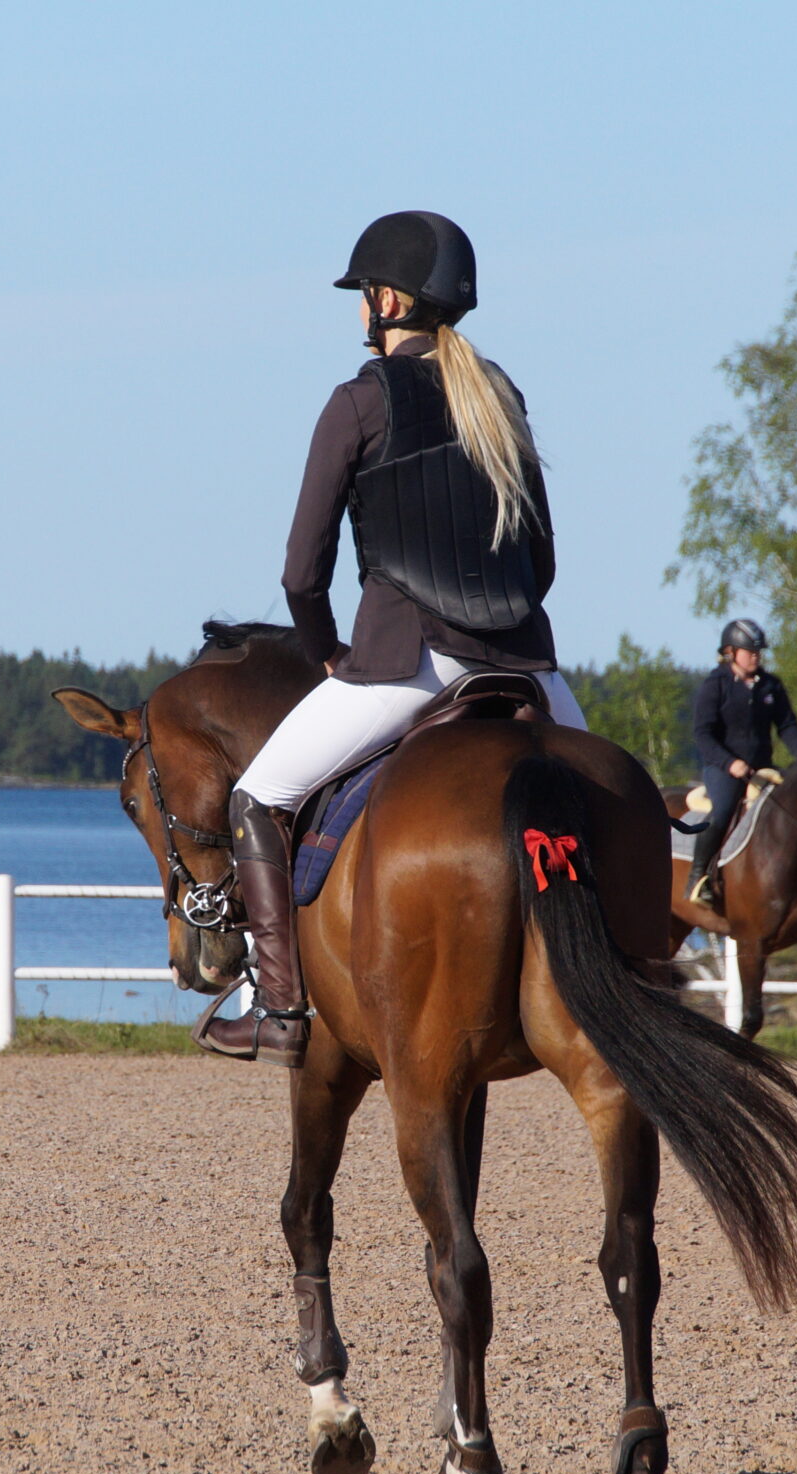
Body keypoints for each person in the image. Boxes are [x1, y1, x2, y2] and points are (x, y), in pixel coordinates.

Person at [200, 210, 588, 1068]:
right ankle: (635, 973)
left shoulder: (358, 401)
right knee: (603, 805)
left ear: (387, 299)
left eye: (363, 296)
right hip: (526, 664)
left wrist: (329, 652)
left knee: (258, 798)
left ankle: (277, 1004)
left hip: (405, 662)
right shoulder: (502, 394)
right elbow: (543, 558)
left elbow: (303, 571)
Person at [686, 618, 797, 906]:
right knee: (722, 811)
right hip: (724, 770)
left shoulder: (771, 686)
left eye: (758, 652)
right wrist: (730, 763)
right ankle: (698, 876)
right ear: (730, 652)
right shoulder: (715, 686)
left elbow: (787, 725)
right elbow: (703, 735)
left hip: (762, 768)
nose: (756, 656)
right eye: (750, 651)